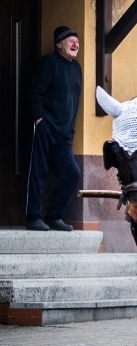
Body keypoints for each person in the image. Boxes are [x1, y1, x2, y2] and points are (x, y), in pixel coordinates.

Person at [25, 26, 82, 231]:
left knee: (72, 174)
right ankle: (33, 217)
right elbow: (33, 93)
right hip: (45, 127)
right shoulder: (49, 63)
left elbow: (74, 103)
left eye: (77, 40)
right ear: (59, 44)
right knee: (38, 171)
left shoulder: (77, 69)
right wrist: (40, 120)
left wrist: (71, 131)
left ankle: (53, 216)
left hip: (64, 135)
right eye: (70, 41)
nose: (76, 43)